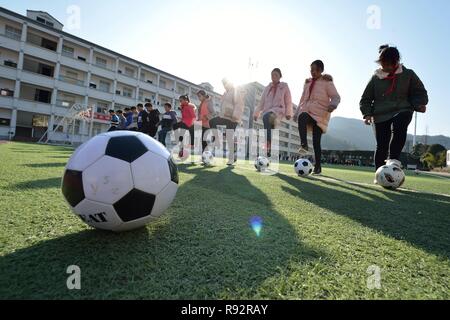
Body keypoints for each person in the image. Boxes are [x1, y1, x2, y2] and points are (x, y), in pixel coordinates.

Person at [360, 45, 428, 172]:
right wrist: (367, 113)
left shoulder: (408, 74)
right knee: (382, 145)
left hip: (403, 109)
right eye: (383, 64)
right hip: (380, 114)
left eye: (389, 64)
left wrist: (419, 103)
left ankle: (394, 160)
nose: (386, 67)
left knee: (399, 126)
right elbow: (365, 99)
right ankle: (379, 173)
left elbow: (420, 91)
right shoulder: (375, 78)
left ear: (396, 61)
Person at [294, 60, 341, 175]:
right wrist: (296, 112)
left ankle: (318, 167)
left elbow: (336, 96)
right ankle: (304, 144)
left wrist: (333, 105)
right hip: (308, 112)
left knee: (316, 142)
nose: (313, 72)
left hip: (320, 116)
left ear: (321, 70)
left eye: (316, 70)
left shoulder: (327, 82)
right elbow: (302, 98)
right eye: (311, 70)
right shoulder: (307, 83)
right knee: (302, 115)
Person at [253, 68, 293, 158]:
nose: (273, 77)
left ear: (280, 76)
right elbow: (261, 102)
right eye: (272, 75)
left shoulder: (284, 86)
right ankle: (268, 149)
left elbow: (288, 101)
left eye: (276, 75)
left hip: (278, 111)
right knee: (268, 126)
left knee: (267, 118)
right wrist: (256, 114)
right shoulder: (267, 88)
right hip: (267, 112)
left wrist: (288, 113)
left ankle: (269, 147)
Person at [209, 79, 245, 165]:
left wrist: (235, 116)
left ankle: (232, 158)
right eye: (223, 84)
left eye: (226, 83)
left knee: (229, 137)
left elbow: (239, 104)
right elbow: (224, 106)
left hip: (233, 118)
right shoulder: (225, 93)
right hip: (225, 116)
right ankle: (216, 138)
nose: (225, 85)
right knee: (212, 121)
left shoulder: (236, 92)